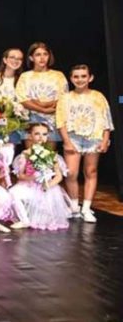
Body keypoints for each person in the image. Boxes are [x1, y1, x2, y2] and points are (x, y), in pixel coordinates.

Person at [56, 64, 114, 222]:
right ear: (71, 78)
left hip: (93, 137)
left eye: (83, 76)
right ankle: (74, 206)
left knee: (91, 171)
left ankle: (87, 208)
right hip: (73, 138)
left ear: (90, 78)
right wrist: (67, 141)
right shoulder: (65, 98)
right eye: (76, 76)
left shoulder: (98, 96)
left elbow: (106, 119)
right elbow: (60, 121)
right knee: (71, 172)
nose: (80, 79)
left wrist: (105, 139)